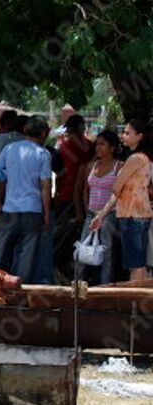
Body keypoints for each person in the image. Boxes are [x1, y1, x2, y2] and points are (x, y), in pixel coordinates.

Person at [0, 115, 52, 284]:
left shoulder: (10, 149)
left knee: (0, 251)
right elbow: (45, 187)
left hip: (10, 209)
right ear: (43, 133)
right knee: (27, 255)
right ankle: (20, 288)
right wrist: (46, 214)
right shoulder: (43, 154)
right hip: (33, 210)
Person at [91, 119, 153, 282]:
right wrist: (102, 215)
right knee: (138, 263)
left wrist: (101, 214)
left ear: (139, 136)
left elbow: (116, 187)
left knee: (136, 264)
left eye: (127, 133)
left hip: (132, 215)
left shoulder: (136, 159)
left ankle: (135, 304)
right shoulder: (141, 158)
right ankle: (140, 305)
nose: (123, 136)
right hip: (136, 214)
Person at [74, 130, 123, 284]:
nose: (98, 147)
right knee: (82, 250)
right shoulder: (91, 166)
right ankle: (78, 286)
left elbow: (120, 193)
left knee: (105, 252)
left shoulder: (119, 166)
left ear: (112, 148)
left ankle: (104, 287)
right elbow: (85, 190)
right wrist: (84, 209)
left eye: (102, 144)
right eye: (97, 144)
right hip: (91, 214)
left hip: (110, 215)